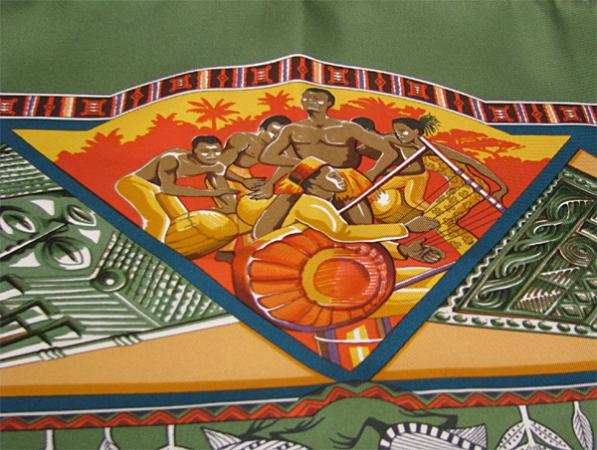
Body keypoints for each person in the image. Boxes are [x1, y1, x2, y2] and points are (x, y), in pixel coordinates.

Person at [253, 156, 442, 263]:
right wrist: (405, 228)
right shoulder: (309, 204)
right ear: (313, 182)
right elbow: (344, 233)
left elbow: (354, 236)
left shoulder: (326, 204)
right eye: (332, 176)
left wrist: (403, 250)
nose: (341, 178)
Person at [256, 88, 399, 224]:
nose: (310, 101)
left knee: (363, 224)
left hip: (343, 178)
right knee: (271, 220)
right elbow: (268, 156)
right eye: (306, 98)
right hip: (306, 175)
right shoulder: (291, 129)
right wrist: (307, 164)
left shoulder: (348, 127)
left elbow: (390, 152)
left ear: (329, 103)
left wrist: (372, 174)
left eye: (317, 99)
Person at [115, 135, 237, 241]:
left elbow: (221, 186)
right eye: (205, 151)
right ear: (194, 151)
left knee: (183, 221)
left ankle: (173, 250)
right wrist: (211, 193)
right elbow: (169, 189)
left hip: (157, 188)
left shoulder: (217, 165)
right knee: (159, 220)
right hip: (134, 183)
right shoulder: (172, 160)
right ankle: (148, 250)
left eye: (216, 151)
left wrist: (230, 205)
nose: (211, 156)